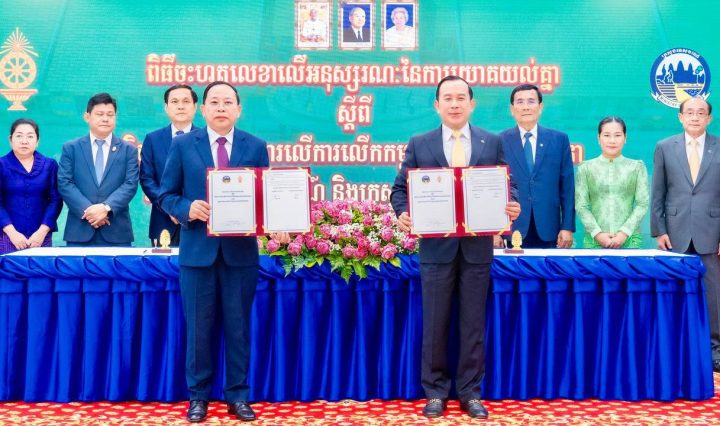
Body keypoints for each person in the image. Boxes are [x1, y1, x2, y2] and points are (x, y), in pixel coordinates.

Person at [391, 75, 520, 419]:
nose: (454, 104)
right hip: (436, 249)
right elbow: (400, 190)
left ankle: (470, 393)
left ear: (472, 103)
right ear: (437, 105)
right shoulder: (420, 143)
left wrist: (511, 204)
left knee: (473, 323)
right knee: (435, 322)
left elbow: (509, 185)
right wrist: (403, 213)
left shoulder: (491, 142)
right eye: (447, 98)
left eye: (461, 97)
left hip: (477, 249)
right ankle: (435, 392)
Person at [159, 81, 288, 422]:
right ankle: (198, 397)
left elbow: (264, 197)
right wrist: (187, 208)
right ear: (202, 109)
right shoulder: (183, 145)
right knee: (198, 329)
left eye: (227, 102)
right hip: (197, 253)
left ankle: (238, 396)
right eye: (214, 102)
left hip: (240, 254)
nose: (220, 108)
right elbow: (166, 195)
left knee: (238, 327)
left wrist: (277, 221)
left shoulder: (255, 146)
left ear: (238, 109)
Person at [651, 96, 720, 372]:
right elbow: (658, 193)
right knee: (673, 291)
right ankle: (674, 348)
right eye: (689, 112)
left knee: (713, 294)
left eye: (700, 113)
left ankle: (714, 349)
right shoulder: (665, 147)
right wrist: (659, 231)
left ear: (709, 118)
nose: (694, 117)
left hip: (711, 233)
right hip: (674, 233)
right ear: (680, 117)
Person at [58, 93, 139, 247]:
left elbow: (130, 184)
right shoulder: (71, 148)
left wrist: (106, 208)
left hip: (117, 232)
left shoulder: (129, 150)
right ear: (87, 117)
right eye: (100, 114)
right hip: (80, 230)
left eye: (110, 114)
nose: (105, 119)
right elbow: (65, 183)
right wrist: (90, 211)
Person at [500, 84, 574, 248]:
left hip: (549, 228)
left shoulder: (559, 140)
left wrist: (567, 227)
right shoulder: (500, 141)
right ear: (512, 109)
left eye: (531, 101)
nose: (526, 107)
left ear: (540, 107)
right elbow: (494, 189)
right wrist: (496, 230)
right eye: (520, 102)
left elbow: (567, 188)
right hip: (512, 227)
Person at [575, 117, 649, 248]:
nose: (612, 140)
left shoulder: (636, 167)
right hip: (594, 240)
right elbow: (581, 206)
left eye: (617, 135)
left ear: (625, 138)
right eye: (607, 135)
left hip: (630, 240)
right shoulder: (586, 168)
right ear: (598, 138)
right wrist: (597, 234)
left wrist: (624, 233)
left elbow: (642, 204)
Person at [140, 84, 198, 246]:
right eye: (174, 101)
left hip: (199, 221)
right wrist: (171, 207)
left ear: (195, 107)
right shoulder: (153, 139)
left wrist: (187, 209)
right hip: (163, 221)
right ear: (166, 107)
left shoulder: (206, 138)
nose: (180, 106)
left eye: (186, 101)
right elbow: (147, 179)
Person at [0, 118, 63, 253]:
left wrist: (42, 232)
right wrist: (12, 233)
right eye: (19, 136)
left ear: (37, 141)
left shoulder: (49, 165)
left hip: (41, 238)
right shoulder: (1, 165)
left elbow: (56, 200)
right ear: (10, 140)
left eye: (30, 136)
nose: (24, 141)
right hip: (7, 237)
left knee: (41, 267)